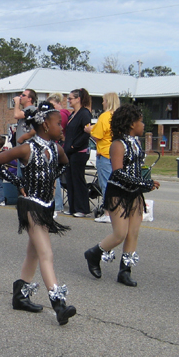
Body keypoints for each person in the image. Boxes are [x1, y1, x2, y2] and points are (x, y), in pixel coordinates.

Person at [0, 101, 76, 326]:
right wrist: (18, 181)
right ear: (45, 125)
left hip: (46, 206)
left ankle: (20, 295)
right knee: (46, 253)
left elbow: (66, 164)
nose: (62, 127)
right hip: (30, 205)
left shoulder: (56, 149)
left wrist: (54, 176)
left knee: (34, 253)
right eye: (59, 123)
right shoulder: (27, 148)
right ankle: (59, 305)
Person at [84, 104, 159, 287]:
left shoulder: (136, 143)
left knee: (133, 233)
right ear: (131, 123)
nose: (143, 125)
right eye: (141, 121)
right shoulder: (117, 144)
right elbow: (117, 172)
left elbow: (135, 168)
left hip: (134, 193)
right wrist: (144, 183)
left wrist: (143, 182)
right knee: (120, 233)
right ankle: (93, 254)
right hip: (118, 192)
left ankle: (125, 271)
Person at [90, 92, 120, 224]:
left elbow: (97, 135)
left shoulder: (105, 116)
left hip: (105, 153)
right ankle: (118, 210)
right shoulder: (120, 117)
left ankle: (108, 213)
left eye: (103, 100)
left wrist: (89, 131)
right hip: (118, 154)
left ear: (108, 101)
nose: (102, 103)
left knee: (106, 184)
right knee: (117, 184)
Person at [63, 88, 93, 217]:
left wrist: (74, 145)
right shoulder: (73, 114)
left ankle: (82, 208)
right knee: (69, 179)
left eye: (70, 98)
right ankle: (73, 207)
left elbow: (86, 133)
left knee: (78, 179)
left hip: (79, 152)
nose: (68, 101)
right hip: (69, 151)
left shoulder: (84, 114)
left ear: (78, 99)